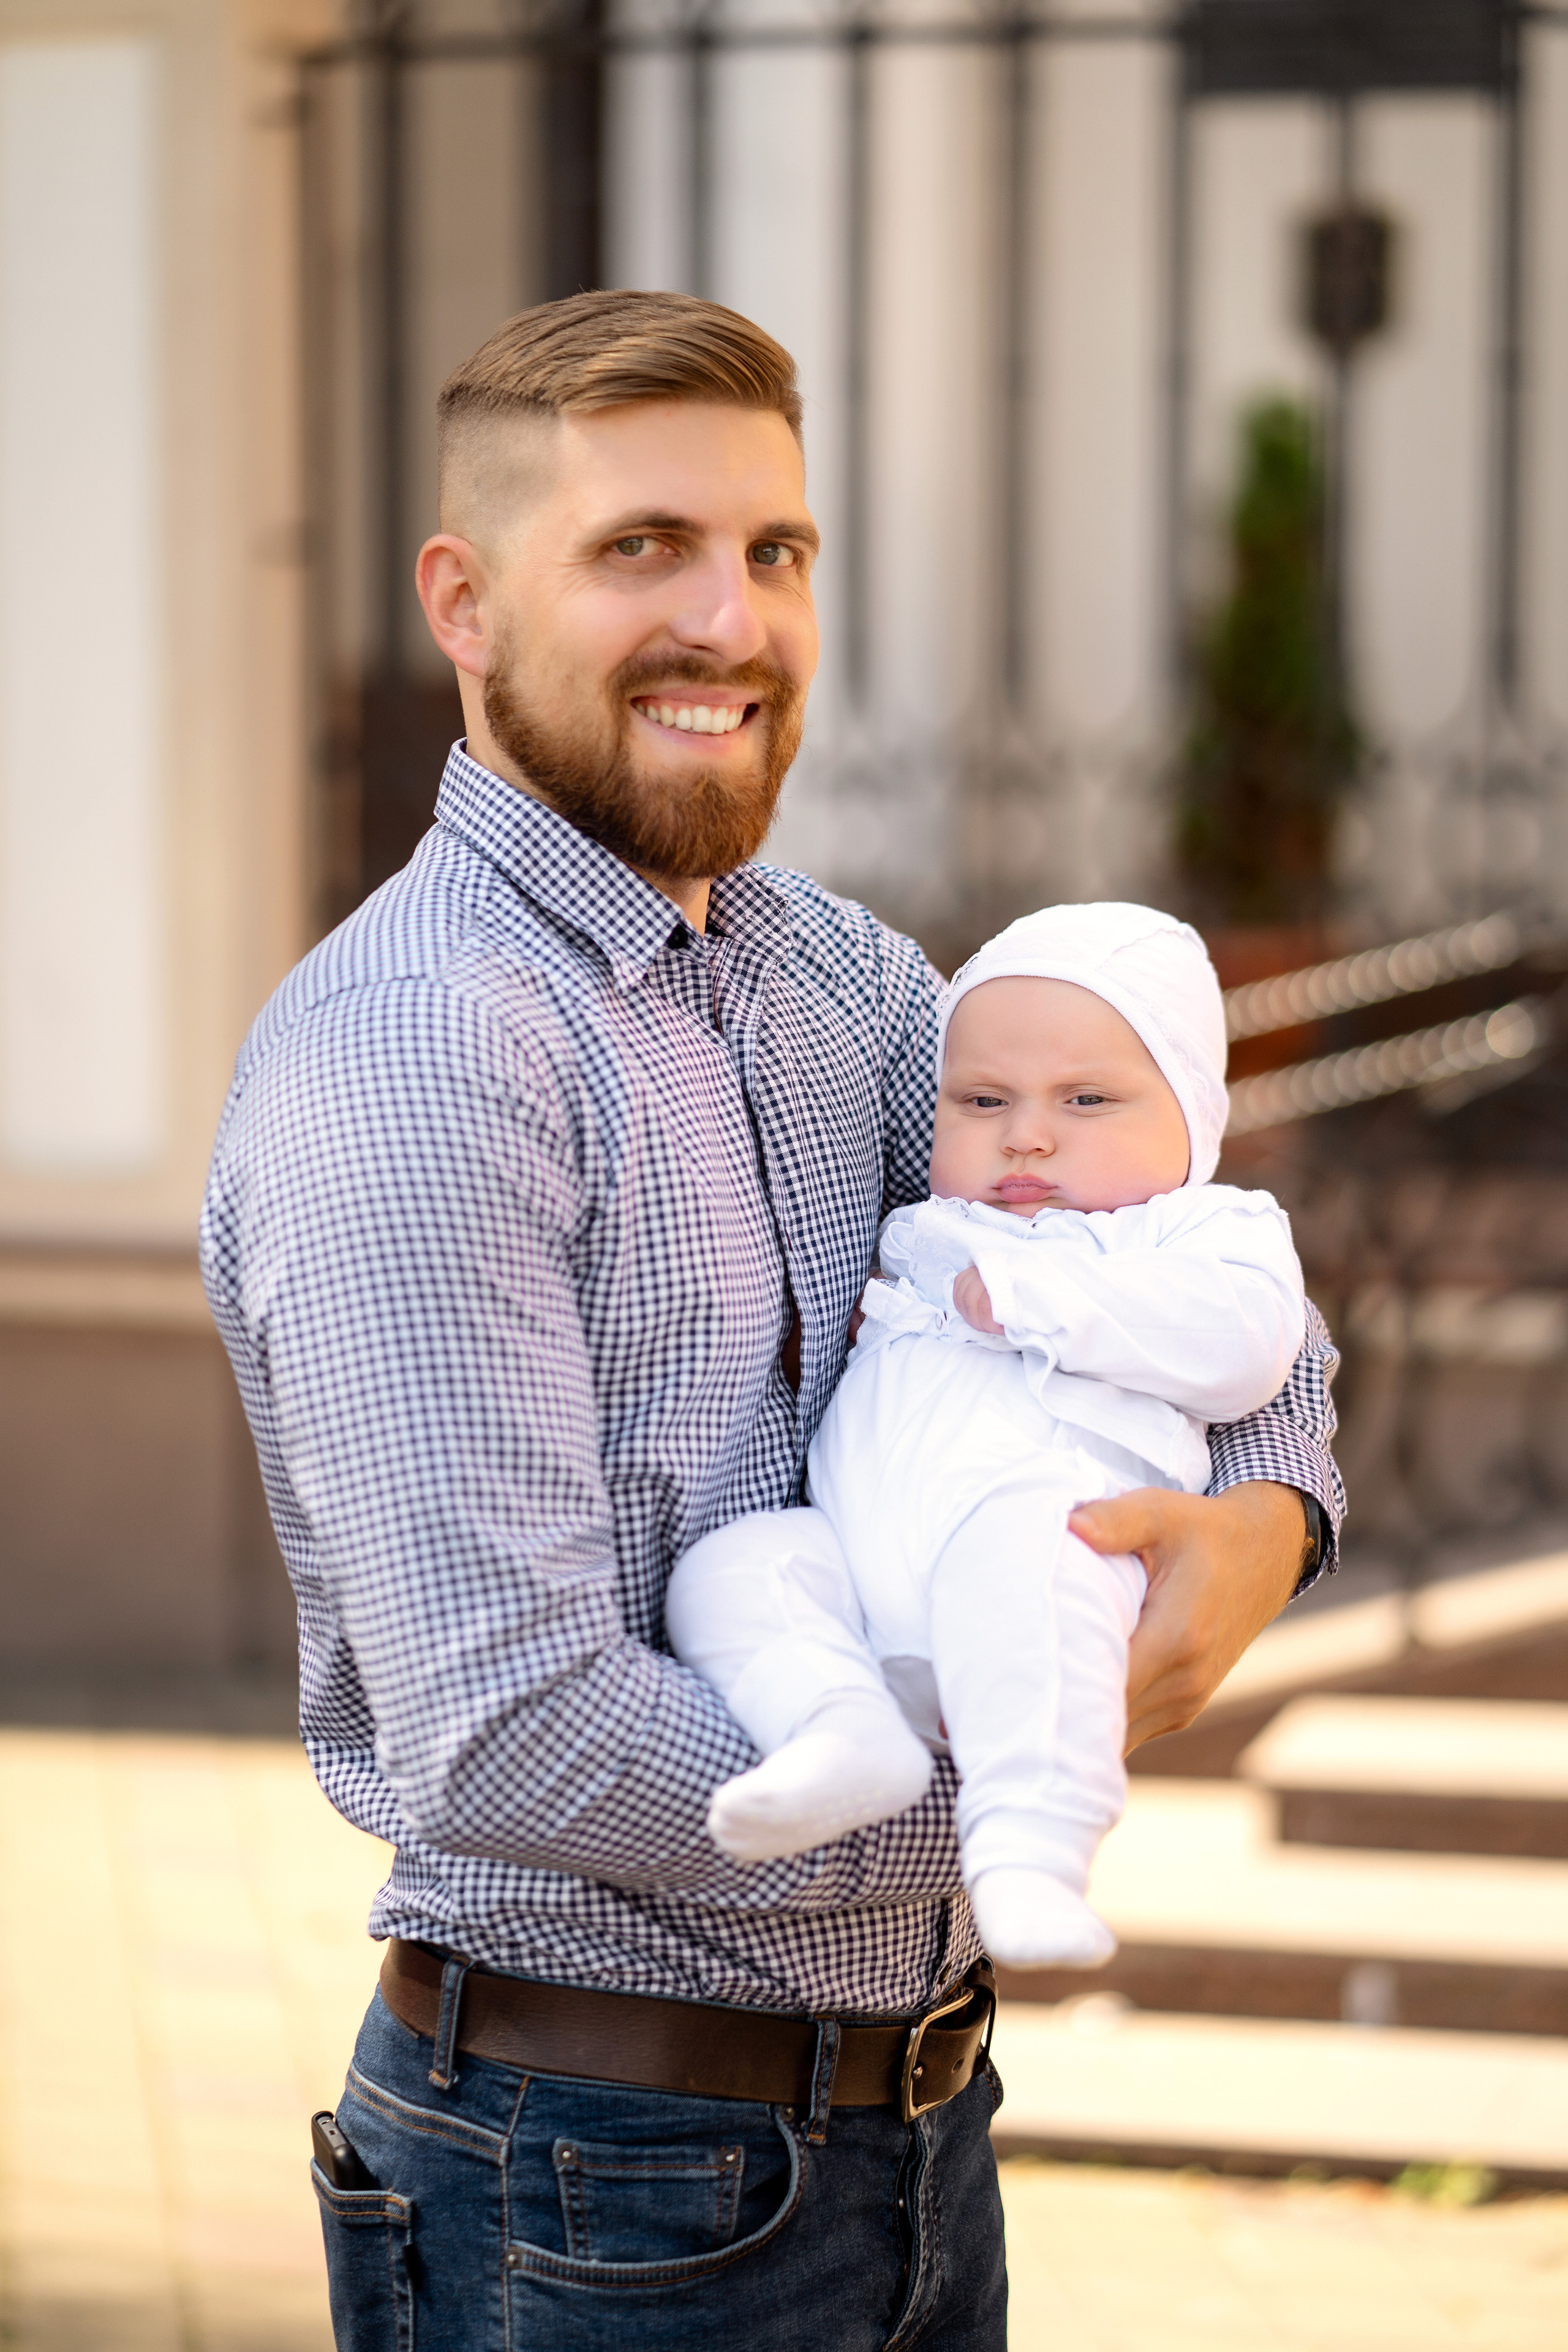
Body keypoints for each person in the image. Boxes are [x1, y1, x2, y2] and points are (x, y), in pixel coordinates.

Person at [201, 288, 1343, 2351]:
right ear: (463, 604)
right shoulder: (413, 1060)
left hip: (914, 2130)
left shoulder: (853, 985)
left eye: (775, 553)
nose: (730, 621)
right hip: (591, 2183)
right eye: (642, 549)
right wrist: (1028, 1753)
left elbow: (1182, 1251)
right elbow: (514, 1731)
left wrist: (1270, 1527)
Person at [666, 902, 1306, 1971]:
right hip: (862, 1568)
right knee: (733, 1569)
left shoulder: (1203, 1231)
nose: (1027, 1134)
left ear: (1193, 1117)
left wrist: (1037, 1295)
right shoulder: (930, 1226)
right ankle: (835, 1726)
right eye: (982, 1100)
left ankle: (1034, 1848)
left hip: (1045, 1530)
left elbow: (1252, 1347)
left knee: (1029, 1568)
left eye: (1088, 1099)